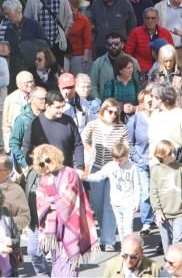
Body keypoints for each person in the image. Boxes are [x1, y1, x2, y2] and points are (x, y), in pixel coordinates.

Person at [29, 144, 97, 277]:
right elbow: (40, 199)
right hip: (54, 229)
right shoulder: (45, 178)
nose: (46, 165)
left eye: (48, 160)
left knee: (69, 266)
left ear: (55, 156)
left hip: (71, 225)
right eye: (42, 163)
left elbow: (69, 199)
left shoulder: (70, 173)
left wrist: (51, 202)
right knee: (56, 263)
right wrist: (52, 202)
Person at [81, 100, 129, 252]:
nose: (113, 115)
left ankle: (108, 240)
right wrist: (90, 150)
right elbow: (83, 139)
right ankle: (104, 231)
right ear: (103, 110)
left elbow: (127, 146)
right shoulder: (93, 125)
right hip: (96, 167)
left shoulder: (121, 128)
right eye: (110, 112)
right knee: (97, 203)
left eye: (116, 113)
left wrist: (122, 157)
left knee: (110, 203)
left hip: (114, 167)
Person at [150, 139, 182, 255]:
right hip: (163, 214)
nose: (174, 155)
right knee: (166, 242)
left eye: (174, 152)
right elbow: (153, 193)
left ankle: (181, 264)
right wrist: (157, 211)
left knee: (179, 240)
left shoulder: (180, 168)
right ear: (161, 155)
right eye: (170, 154)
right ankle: (170, 265)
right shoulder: (156, 170)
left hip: (180, 212)